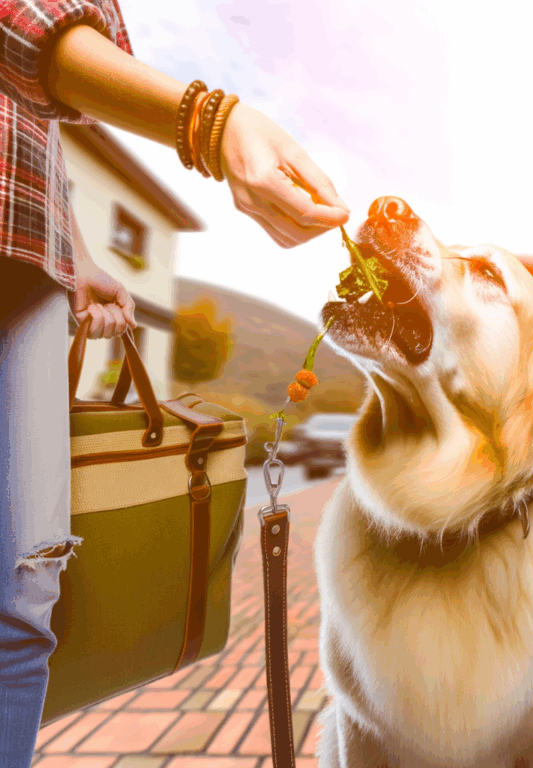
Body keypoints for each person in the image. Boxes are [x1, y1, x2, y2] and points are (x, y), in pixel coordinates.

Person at [0, 2, 350, 765]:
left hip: (28, 258)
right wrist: (211, 124)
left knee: (24, 602)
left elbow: (33, 123)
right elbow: (25, 23)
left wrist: (78, 255)